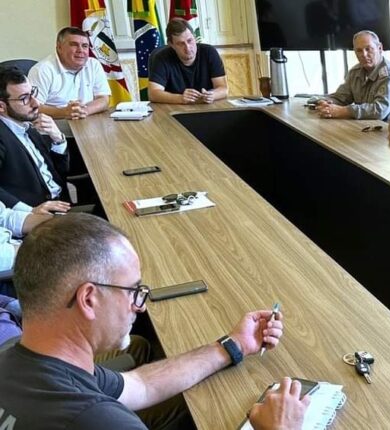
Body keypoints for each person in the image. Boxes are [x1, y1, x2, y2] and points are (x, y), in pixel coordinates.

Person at [0, 213, 309, 429]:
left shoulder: (18, 358)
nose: (140, 306)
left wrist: (233, 345)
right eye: (133, 291)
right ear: (89, 299)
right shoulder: (94, 419)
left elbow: (141, 385)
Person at [0, 67, 72, 215]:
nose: (36, 103)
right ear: (1, 106)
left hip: (61, 204)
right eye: (24, 98)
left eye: (32, 93)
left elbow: (61, 170)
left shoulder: (28, 125)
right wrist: (30, 212)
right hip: (36, 216)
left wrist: (57, 138)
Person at [28, 27, 111, 127]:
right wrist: (64, 112)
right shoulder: (42, 70)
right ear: (59, 48)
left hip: (86, 125)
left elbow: (103, 99)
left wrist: (84, 111)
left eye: (85, 46)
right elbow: (33, 107)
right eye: (74, 45)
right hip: (53, 129)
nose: (80, 50)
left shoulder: (93, 65)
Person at [315, 30, 390, 121]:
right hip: (364, 125)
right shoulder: (355, 72)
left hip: (388, 128)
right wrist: (327, 103)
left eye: (368, 49)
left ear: (380, 48)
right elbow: (341, 98)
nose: (364, 54)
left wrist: (344, 111)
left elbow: (379, 111)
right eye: (359, 51)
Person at [148, 18, 228, 104]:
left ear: (194, 37)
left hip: (206, 106)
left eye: (190, 41)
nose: (188, 48)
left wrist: (212, 95)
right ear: (171, 45)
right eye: (181, 44)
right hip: (174, 108)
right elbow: (153, 94)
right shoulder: (161, 58)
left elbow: (223, 88)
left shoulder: (209, 52)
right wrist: (180, 98)